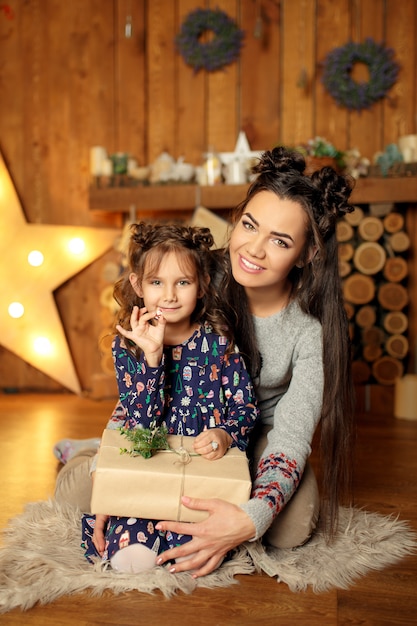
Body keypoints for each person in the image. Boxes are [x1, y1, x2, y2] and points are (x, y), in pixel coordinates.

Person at [55, 146, 355, 579]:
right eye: (249, 225)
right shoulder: (192, 278)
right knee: (79, 495)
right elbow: (142, 370)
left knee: (290, 526)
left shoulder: (308, 333)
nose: (253, 249)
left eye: (280, 240)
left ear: (307, 254)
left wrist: (249, 519)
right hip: (167, 420)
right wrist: (115, 471)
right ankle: (84, 449)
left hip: (250, 434)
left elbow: (290, 436)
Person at [78, 222, 258, 573]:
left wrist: (226, 434)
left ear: (203, 285)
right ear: (137, 285)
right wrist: (152, 358)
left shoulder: (219, 342)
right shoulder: (128, 345)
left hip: (199, 471)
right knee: (131, 551)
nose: (170, 295)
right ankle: (83, 461)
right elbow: (141, 426)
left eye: (183, 282)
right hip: (147, 463)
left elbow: (246, 408)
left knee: (195, 544)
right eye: (156, 282)